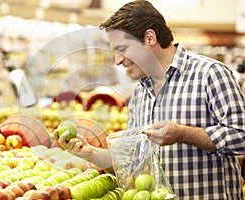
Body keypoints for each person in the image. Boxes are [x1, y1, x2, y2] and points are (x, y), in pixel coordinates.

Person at [53, 0, 245, 199]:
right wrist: (89, 152)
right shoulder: (140, 93)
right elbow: (131, 165)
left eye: (123, 49)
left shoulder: (210, 74)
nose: (118, 60)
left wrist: (182, 133)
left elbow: (241, 136)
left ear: (150, 37)